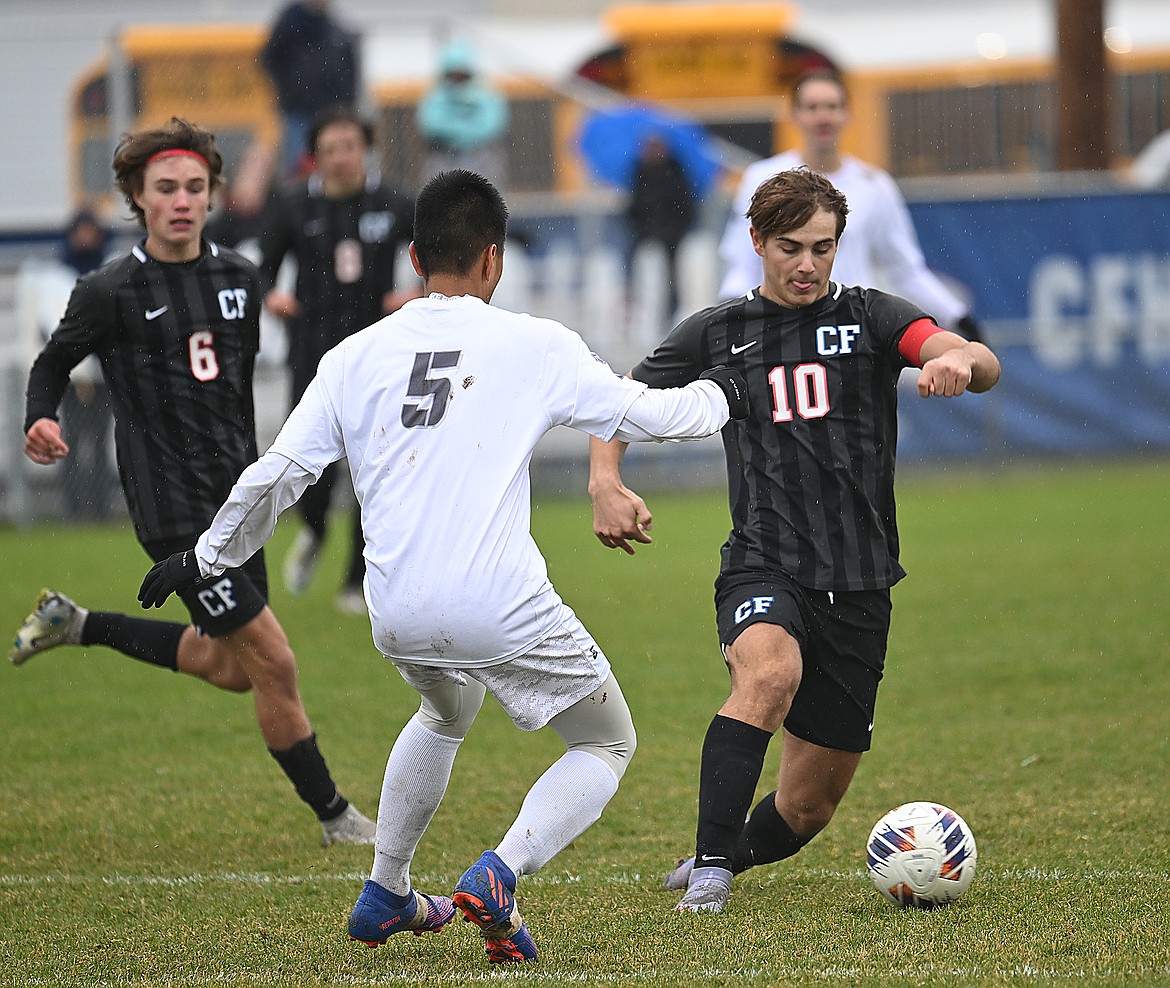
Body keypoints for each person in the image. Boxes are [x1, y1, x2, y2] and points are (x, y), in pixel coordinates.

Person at [136, 169, 749, 962]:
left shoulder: (354, 356)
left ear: (416, 255)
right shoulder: (535, 343)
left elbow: (281, 472)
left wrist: (203, 554)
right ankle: (501, 872)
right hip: (498, 603)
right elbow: (660, 415)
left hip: (395, 612)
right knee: (606, 744)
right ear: (493, 260)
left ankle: (387, 889)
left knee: (444, 711)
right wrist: (730, 391)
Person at [589, 167, 1000, 913]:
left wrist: (955, 359)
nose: (808, 264)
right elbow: (618, 401)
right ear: (756, 242)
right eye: (790, 248)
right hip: (764, 560)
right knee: (768, 676)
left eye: (823, 247)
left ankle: (715, 858)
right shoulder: (720, 331)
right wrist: (605, 480)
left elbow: (975, 355)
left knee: (807, 810)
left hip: (862, 577)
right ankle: (712, 869)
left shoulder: (872, 317)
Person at [10, 117, 376, 848]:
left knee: (229, 666)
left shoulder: (239, 279)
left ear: (211, 195)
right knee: (275, 658)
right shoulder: (109, 288)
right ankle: (337, 817)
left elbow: (229, 392)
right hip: (172, 509)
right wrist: (40, 417)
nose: (182, 200)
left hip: (240, 504)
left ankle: (77, 624)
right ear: (138, 200)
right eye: (165, 189)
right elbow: (52, 363)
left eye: (195, 188)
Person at [258, 106, 417, 614]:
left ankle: (356, 579)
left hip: (380, 351)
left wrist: (412, 291)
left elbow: (434, 259)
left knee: (377, 467)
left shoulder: (393, 202)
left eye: (350, 146)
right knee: (314, 460)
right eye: (330, 149)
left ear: (364, 149)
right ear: (315, 156)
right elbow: (261, 270)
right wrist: (273, 297)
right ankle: (314, 526)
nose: (342, 158)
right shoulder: (290, 207)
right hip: (313, 351)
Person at [718, 70, 985, 343]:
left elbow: (905, 270)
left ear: (848, 115)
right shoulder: (761, 177)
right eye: (812, 107)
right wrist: (728, 321)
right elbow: (743, 265)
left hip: (855, 333)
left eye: (832, 107)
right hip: (783, 332)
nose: (823, 117)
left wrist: (958, 317)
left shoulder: (874, 185)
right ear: (794, 115)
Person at [16, 208, 118, 520]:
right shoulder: (55, 276)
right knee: (70, 438)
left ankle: (99, 507)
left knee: (100, 441)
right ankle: (75, 507)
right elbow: (52, 325)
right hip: (71, 376)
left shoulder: (109, 270)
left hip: (103, 373)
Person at [261, 0, 359, 179]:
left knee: (334, 166)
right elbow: (270, 59)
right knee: (300, 167)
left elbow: (349, 71)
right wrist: (291, 91)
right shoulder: (290, 24)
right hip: (300, 111)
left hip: (331, 114)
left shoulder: (335, 28)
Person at [417, 40, 509, 188]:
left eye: (462, 76)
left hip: (481, 160)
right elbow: (431, 125)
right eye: (453, 76)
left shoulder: (488, 96)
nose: (457, 81)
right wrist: (466, 126)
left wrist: (455, 129)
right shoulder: (435, 97)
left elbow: (490, 127)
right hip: (444, 159)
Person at [626, 134, 696, 322]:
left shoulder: (674, 172)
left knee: (672, 274)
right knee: (636, 267)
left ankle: (671, 309)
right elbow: (636, 205)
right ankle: (634, 304)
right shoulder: (640, 172)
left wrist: (676, 228)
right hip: (647, 232)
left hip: (672, 232)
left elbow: (683, 204)